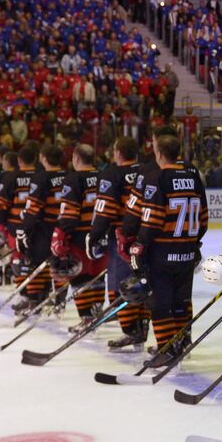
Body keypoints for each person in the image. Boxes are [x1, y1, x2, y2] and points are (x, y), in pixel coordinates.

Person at [131, 133, 208, 366]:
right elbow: (203, 219)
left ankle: (166, 349)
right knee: (181, 301)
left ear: (159, 153)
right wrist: (191, 243)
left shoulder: (158, 178)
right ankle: (181, 343)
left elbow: (152, 221)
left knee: (160, 302)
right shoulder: (194, 177)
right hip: (186, 252)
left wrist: (139, 246)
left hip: (163, 253)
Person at [90, 136, 150, 352]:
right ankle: (142, 329)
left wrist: (95, 235)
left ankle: (130, 332)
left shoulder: (112, 174)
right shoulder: (148, 170)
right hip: (147, 238)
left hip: (123, 239)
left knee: (121, 287)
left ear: (117, 153)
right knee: (143, 284)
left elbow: (105, 210)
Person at [54, 144, 105, 331]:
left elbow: (68, 214)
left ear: (75, 158)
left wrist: (61, 234)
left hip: (79, 237)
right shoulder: (103, 177)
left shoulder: (73, 179)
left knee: (79, 277)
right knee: (97, 277)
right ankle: (96, 315)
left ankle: (86, 319)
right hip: (100, 236)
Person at [17, 144, 68, 314]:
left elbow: (33, 209)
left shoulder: (41, 178)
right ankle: (60, 302)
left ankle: (35, 302)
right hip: (64, 229)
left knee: (36, 263)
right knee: (59, 264)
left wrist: (24, 230)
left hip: (45, 229)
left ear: (44, 158)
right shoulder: (69, 175)